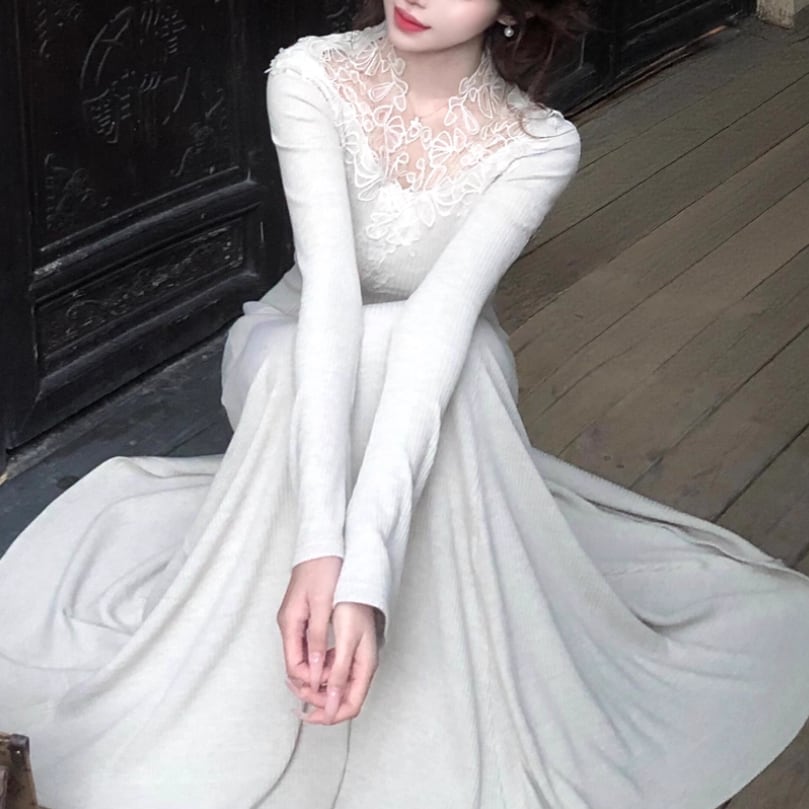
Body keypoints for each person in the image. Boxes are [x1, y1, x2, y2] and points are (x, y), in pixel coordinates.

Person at [1, 1, 809, 807]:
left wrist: (368, 577)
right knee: (326, 357)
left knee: (466, 356)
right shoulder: (310, 74)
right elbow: (329, 299)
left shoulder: (536, 144)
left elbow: (437, 325)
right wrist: (320, 548)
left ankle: (429, 683)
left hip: (433, 365)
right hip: (293, 345)